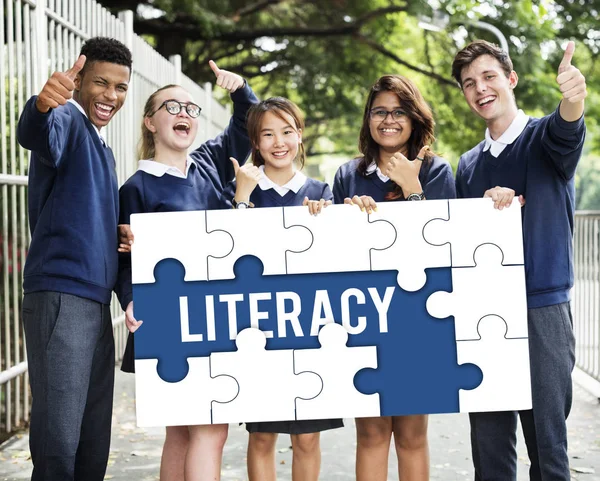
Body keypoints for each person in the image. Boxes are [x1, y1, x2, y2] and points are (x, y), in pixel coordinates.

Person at [116, 61, 258, 481]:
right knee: (203, 432)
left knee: (186, 434)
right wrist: (128, 299)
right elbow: (125, 258)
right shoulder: (135, 188)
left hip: (214, 315)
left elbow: (244, 126)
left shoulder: (209, 164)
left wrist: (240, 90)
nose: (184, 114)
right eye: (172, 106)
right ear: (150, 122)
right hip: (168, 322)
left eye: (191, 109)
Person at [451, 40, 586, 480]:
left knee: (548, 445)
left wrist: (574, 97)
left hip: (541, 307)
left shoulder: (544, 138)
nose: (480, 89)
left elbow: (569, 126)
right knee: (488, 444)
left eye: (489, 76)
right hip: (483, 311)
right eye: (469, 83)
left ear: (511, 79)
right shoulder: (467, 166)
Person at [16, 37, 132, 481]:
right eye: (101, 83)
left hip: (94, 301)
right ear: (78, 80)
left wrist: (116, 231)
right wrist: (42, 106)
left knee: (90, 437)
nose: (111, 96)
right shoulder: (65, 117)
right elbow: (36, 133)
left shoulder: (102, 146)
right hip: (61, 294)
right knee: (59, 439)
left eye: (120, 87)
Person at [332, 74, 456, 481]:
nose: (388, 120)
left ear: (414, 118)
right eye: (379, 111)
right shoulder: (348, 175)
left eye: (398, 112)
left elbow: (442, 244)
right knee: (369, 433)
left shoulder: (437, 170)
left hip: (418, 317)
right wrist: (349, 216)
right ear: (368, 119)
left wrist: (412, 189)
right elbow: (330, 253)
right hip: (364, 317)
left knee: (412, 434)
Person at [230, 97, 343, 481]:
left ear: (300, 135)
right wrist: (241, 201)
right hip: (258, 329)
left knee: (308, 438)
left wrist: (325, 221)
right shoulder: (242, 189)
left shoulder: (321, 191)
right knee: (262, 436)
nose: (279, 142)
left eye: (287, 132)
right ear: (255, 143)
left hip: (310, 329)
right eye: (268, 134)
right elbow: (229, 255)